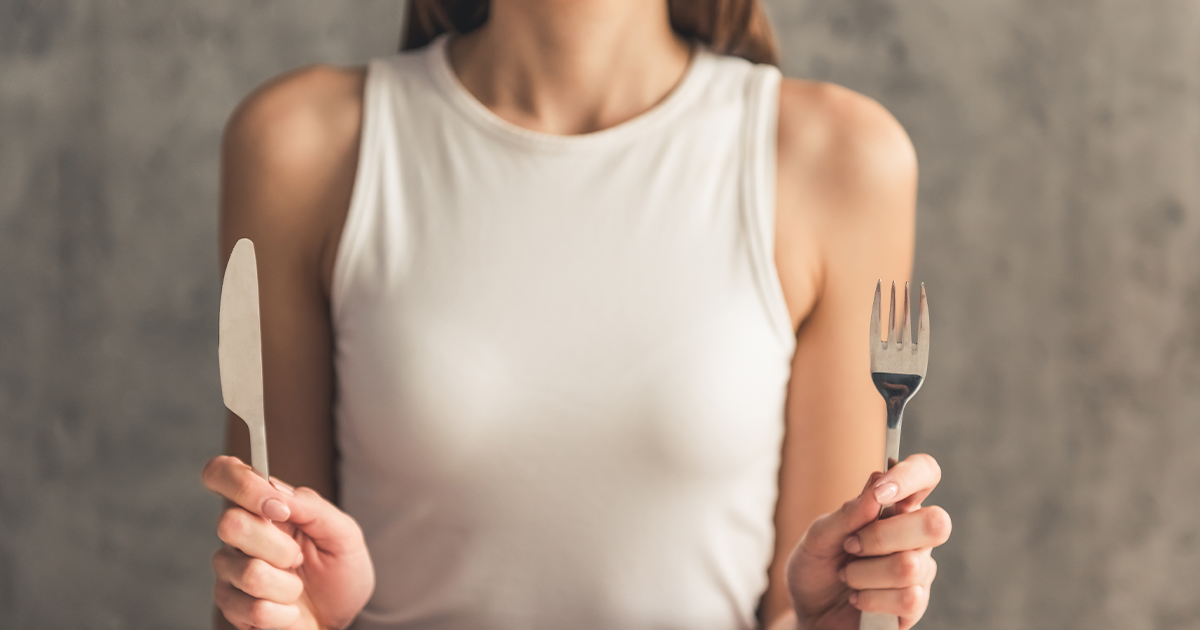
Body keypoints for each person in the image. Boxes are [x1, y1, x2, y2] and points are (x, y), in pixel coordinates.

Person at [202, 1, 952, 629]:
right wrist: (291, 614)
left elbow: (814, 603)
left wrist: (837, 619)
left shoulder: (844, 160)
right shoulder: (299, 146)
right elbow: (268, 581)